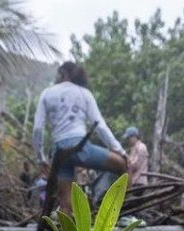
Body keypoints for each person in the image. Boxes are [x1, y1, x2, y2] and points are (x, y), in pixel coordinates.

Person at [32, 62, 127, 212]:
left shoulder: (46, 93)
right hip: (81, 148)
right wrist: (120, 151)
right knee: (121, 164)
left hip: (59, 152)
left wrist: (40, 158)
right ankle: (119, 212)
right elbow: (100, 126)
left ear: (62, 74)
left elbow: (37, 129)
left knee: (65, 203)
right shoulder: (84, 93)